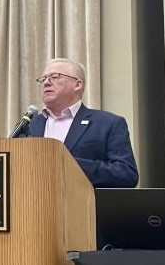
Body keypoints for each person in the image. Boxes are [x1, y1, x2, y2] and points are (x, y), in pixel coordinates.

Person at [27, 58, 138, 188]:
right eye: (43, 79)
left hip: (86, 205)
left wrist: (70, 165)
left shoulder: (108, 124)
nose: (46, 82)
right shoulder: (31, 125)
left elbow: (126, 174)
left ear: (77, 84)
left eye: (54, 77)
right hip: (35, 205)